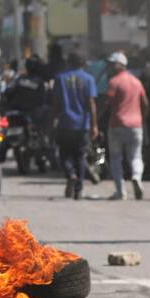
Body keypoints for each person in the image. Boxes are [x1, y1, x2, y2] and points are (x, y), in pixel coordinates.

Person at [53, 53, 98, 200]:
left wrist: (52, 120)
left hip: (65, 123)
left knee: (64, 154)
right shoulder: (88, 79)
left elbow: (56, 103)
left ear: (68, 63)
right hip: (82, 125)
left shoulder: (60, 78)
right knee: (80, 157)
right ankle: (78, 189)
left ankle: (70, 174)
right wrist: (94, 125)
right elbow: (91, 104)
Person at [104, 51, 149, 200]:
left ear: (120, 65)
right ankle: (136, 177)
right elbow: (145, 104)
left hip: (116, 124)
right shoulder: (137, 82)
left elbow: (106, 102)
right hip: (136, 126)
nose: (109, 67)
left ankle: (120, 191)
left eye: (112, 64)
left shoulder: (114, 82)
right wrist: (142, 119)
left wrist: (98, 118)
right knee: (135, 156)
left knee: (116, 158)